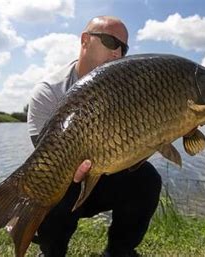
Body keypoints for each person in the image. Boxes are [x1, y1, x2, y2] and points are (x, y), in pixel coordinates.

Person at [27, 16, 162, 257]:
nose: (118, 53)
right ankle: (50, 251)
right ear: (85, 40)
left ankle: (119, 251)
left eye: (124, 48)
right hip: (66, 178)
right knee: (46, 191)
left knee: (147, 179)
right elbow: (45, 156)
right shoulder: (49, 91)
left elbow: (132, 147)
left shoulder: (128, 88)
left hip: (109, 171)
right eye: (112, 42)